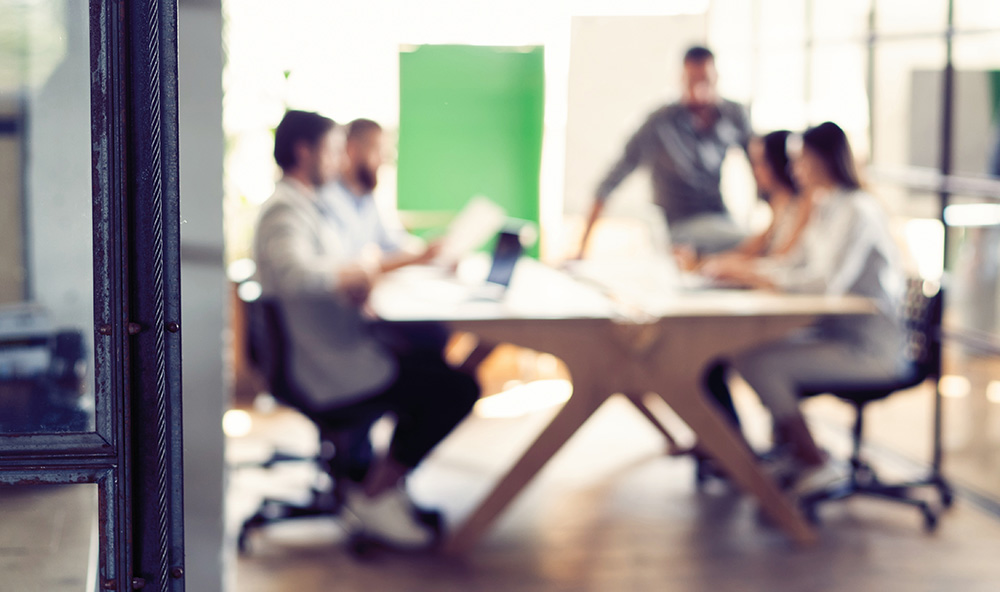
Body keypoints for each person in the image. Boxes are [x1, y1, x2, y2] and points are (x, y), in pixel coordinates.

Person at [253, 110, 479, 548]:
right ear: (305, 152)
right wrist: (352, 276)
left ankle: (384, 485)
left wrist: (353, 278)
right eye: (333, 150)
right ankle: (375, 494)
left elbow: (325, 269)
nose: (339, 162)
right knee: (455, 390)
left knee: (432, 359)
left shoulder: (307, 206)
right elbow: (294, 274)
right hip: (329, 366)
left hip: (339, 348)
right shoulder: (285, 210)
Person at [701, 121, 909, 495]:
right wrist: (748, 272)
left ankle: (815, 461)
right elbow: (796, 266)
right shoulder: (828, 207)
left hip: (869, 350)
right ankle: (796, 452)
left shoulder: (858, 211)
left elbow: (826, 284)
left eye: (801, 160)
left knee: (758, 362)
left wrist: (756, 277)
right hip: (838, 336)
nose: (794, 170)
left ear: (823, 161)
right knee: (745, 353)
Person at [578, 45, 753, 258]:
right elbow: (611, 180)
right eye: (692, 81)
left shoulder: (733, 114)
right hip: (679, 225)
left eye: (705, 80)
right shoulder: (660, 123)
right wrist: (582, 248)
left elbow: (763, 169)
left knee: (759, 244)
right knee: (751, 241)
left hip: (720, 217)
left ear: (716, 77)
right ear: (681, 79)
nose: (699, 89)